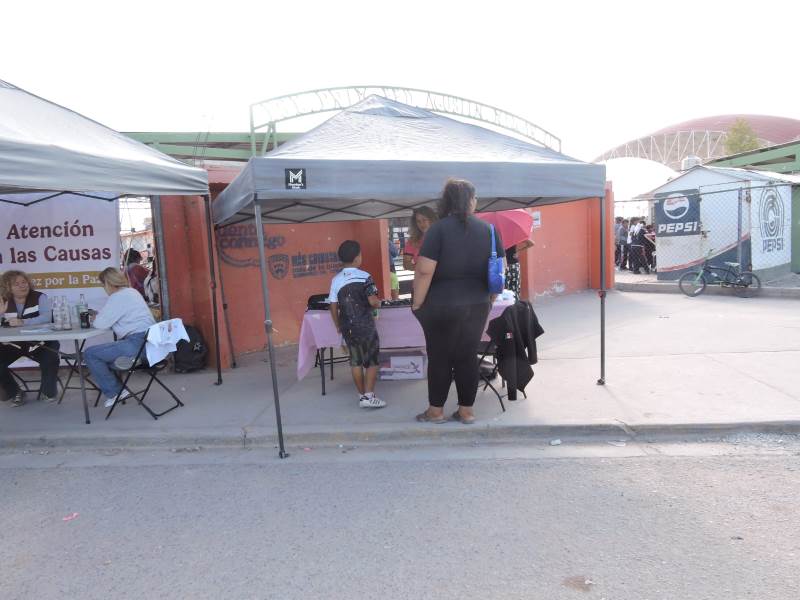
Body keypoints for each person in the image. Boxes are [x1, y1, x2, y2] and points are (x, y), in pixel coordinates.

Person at [412, 178, 504, 425]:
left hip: (440, 304)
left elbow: (424, 271)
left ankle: (435, 412)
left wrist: (417, 303)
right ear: (470, 201)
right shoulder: (489, 231)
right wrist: (488, 300)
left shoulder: (437, 230)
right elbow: (498, 272)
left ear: (447, 202)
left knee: (439, 357)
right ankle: (466, 412)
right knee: (467, 356)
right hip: (477, 303)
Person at [85, 267, 156, 408]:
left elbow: (100, 324)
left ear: (108, 283)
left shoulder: (117, 297)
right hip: (151, 346)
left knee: (90, 354)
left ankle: (115, 392)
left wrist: (95, 318)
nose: (103, 288)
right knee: (105, 360)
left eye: (103, 285)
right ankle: (116, 388)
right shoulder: (132, 292)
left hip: (137, 346)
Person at [328, 240, 386, 409]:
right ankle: (369, 395)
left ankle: (362, 396)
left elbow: (333, 306)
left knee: (355, 362)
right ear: (357, 258)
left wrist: (338, 326)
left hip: (348, 327)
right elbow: (373, 301)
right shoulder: (365, 276)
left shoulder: (335, 280)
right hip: (366, 326)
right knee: (372, 361)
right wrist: (380, 303)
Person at [0, 271, 60, 406]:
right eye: (16, 284)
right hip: (12, 344)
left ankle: (48, 392)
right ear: (8, 287)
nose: (22, 286)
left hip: (40, 342)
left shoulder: (39, 297)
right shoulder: (3, 300)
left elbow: (47, 317)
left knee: (51, 355)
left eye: (24, 282)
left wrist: (23, 322)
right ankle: (15, 392)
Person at [403, 206, 438, 271]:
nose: (421, 224)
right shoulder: (413, 241)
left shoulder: (442, 237)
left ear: (432, 220)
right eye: (418, 221)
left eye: (424, 220)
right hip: (422, 276)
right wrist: (420, 268)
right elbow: (406, 264)